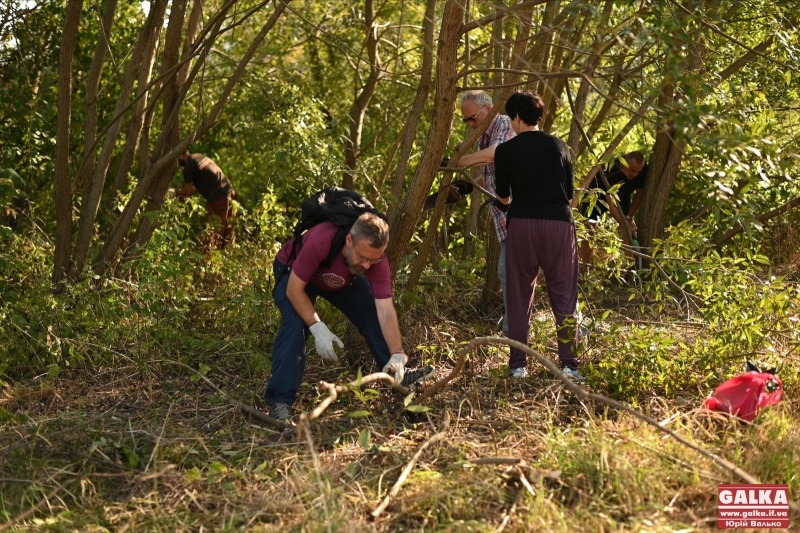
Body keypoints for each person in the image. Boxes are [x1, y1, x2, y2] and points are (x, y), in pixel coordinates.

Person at [265, 213, 435, 422]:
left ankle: (396, 375)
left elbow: (385, 310)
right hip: (297, 275)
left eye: (373, 260)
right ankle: (279, 402)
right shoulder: (321, 239)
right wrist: (317, 326)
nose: (366, 266)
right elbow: (294, 290)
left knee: (371, 312)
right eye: (363, 257)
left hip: (342, 278)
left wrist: (397, 353)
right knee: (296, 324)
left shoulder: (374, 260)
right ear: (349, 240)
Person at [494, 91, 582, 380]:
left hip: (522, 225)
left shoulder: (505, 150)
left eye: (511, 118)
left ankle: (518, 365)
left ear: (517, 117)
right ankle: (570, 365)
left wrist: (505, 201)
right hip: (559, 224)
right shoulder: (560, 146)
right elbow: (569, 195)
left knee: (519, 295)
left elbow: (504, 196)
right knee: (564, 294)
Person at [455, 90, 516, 334]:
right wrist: (472, 184)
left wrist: (462, 160)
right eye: (465, 121)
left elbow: (496, 154)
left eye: (472, 118)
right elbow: (492, 168)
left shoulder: (505, 125)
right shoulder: (485, 135)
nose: (470, 125)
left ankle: (576, 330)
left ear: (489, 108)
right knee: (508, 276)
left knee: (550, 274)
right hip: (505, 222)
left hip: (521, 218)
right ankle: (514, 333)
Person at [577, 151, 648, 263]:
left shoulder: (642, 170)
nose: (634, 175)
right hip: (596, 197)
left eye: (637, 171)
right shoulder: (611, 171)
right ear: (623, 163)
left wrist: (629, 217)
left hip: (623, 196)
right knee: (589, 228)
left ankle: (630, 266)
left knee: (627, 230)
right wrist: (623, 222)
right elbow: (611, 205)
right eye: (632, 170)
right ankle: (583, 264)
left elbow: (640, 193)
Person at [174, 151, 236, 249]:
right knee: (227, 234)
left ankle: (209, 261)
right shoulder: (200, 157)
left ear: (181, 155)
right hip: (230, 193)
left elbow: (188, 191)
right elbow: (200, 186)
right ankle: (229, 257)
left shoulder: (188, 167)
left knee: (212, 234)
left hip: (218, 198)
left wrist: (175, 192)